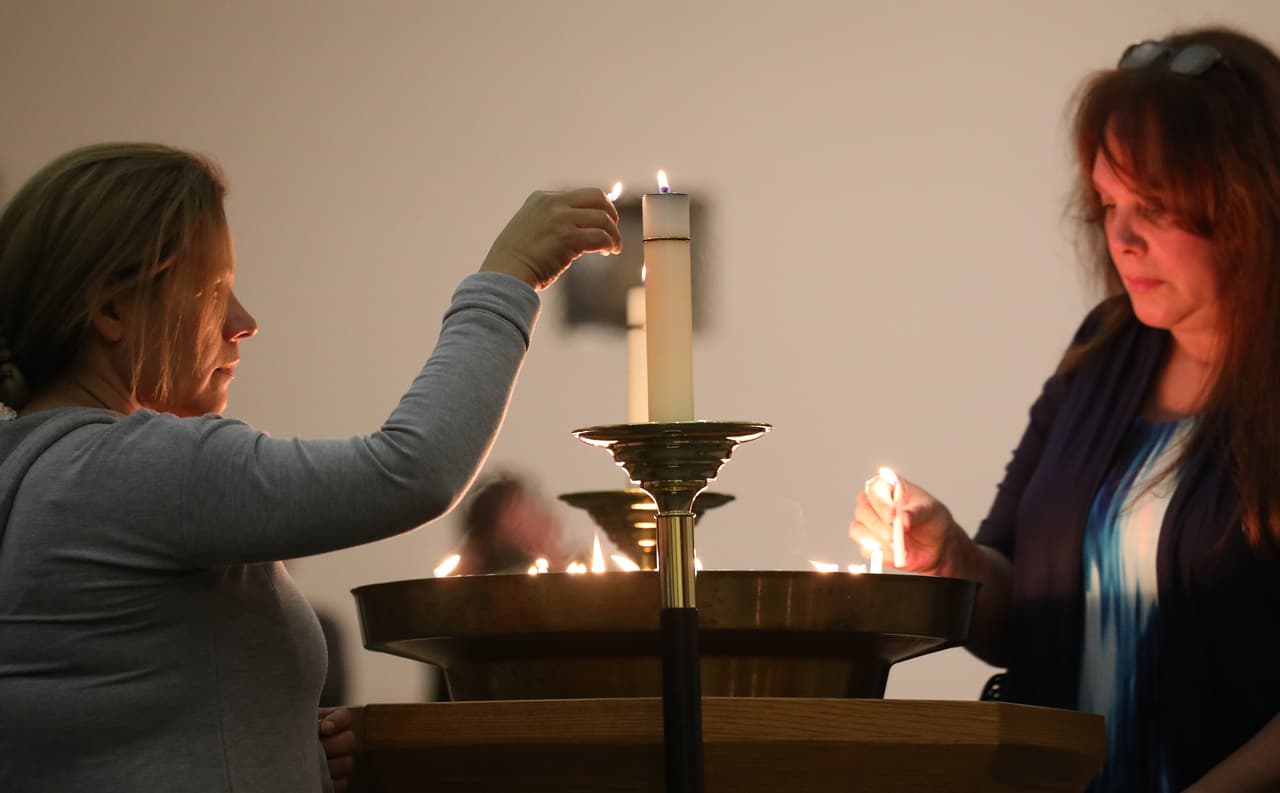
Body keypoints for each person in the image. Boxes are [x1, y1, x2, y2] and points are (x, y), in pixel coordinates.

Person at [0, 142, 620, 792]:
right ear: (112, 309)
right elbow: (411, 469)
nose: (244, 323)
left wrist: (288, 739)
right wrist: (509, 277)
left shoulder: (36, 465)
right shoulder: (130, 468)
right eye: (214, 291)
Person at [852, 26, 1280, 793]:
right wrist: (950, 561)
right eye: (1108, 203)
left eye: (1153, 205)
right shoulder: (1104, 351)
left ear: (1248, 202)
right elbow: (1012, 609)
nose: (1121, 237)